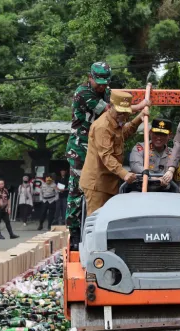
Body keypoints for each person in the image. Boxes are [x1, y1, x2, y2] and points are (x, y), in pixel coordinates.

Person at [66, 62, 148, 249]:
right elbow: (107, 155)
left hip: (103, 164)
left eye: (105, 83)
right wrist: (140, 106)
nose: (102, 86)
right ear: (90, 77)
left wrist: (139, 118)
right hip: (81, 150)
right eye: (99, 82)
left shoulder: (114, 116)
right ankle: (76, 238)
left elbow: (122, 131)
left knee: (105, 218)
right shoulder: (85, 94)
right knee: (79, 198)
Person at [80, 91, 150, 216]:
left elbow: (124, 133)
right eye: (119, 111)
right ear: (110, 106)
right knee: (96, 221)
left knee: (109, 220)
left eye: (125, 112)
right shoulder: (103, 127)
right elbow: (106, 156)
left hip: (110, 182)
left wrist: (139, 118)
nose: (122, 115)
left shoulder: (117, 122)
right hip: (97, 184)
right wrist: (124, 174)